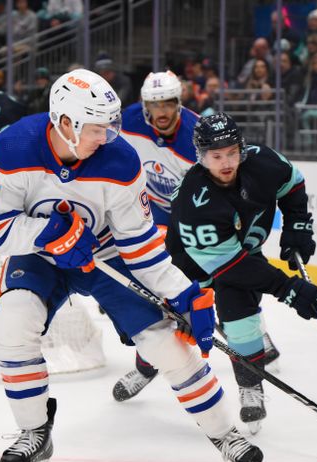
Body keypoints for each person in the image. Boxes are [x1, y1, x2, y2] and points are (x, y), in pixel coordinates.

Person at [0, 69, 263, 462]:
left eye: (110, 126)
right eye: (97, 129)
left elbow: (141, 245)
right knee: (12, 323)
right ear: (66, 124)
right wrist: (49, 234)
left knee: (165, 343)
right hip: (38, 258)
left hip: (106, 255)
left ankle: (224, 433)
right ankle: (34, 433)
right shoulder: (11, 149)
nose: (108, 137)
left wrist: (183, 293)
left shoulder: (121, 161)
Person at [111, 70, 281, 402]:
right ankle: (146, 368)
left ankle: (254, 335)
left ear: (179, 103)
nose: (161, 112)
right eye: (154, 104)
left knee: (232, 281)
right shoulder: (128, 121)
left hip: (199, 217)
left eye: (168, 103)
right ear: (144, 105)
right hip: (156, 216)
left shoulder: (197, 137)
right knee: (164, 301)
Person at [166, 112, 317, 433]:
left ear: (242, 147)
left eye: (232, 152)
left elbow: (292, 183)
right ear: (201, 157)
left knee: (239, 320)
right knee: (174, 332)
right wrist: (291, 290)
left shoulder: (263, 162)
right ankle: (145, 367)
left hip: (237, 252)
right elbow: (231, 267)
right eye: (216, 156)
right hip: (188, 264)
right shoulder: (195, 198)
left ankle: (250, 386)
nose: (226, 162)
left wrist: (297, 224)